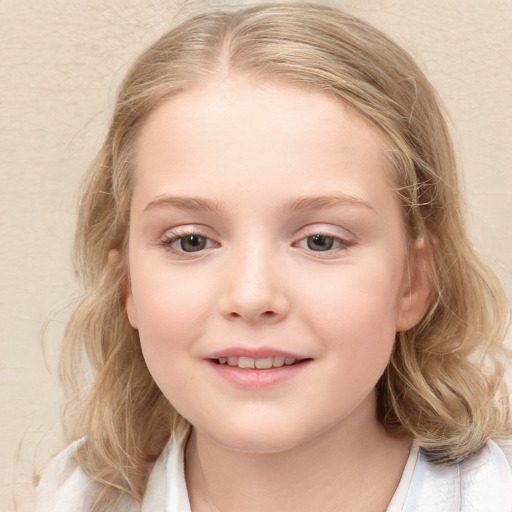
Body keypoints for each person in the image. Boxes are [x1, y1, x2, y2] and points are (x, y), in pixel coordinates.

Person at [35, 2, 512, 511]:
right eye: (191, 241)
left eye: (321, 241)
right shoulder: (72, 497)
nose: (251, 295)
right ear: (127, 284)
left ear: (412, 283)